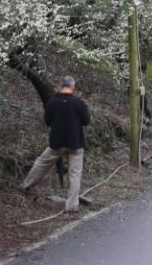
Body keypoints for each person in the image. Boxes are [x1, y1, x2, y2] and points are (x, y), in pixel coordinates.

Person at [21, 76, 91, 212]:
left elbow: (47, 121)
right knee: (75, 173)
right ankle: (71, 205)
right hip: (75, 142)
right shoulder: (79, 103)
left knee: (41, 163)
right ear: (73, 87)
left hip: (56, 142)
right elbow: (86, 121)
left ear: (60, 86)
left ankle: (26, 185)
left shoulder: (52, 102)